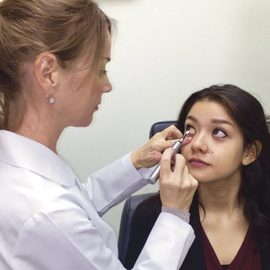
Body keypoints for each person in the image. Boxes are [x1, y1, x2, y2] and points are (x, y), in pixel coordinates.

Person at [0, 0, 199, 269]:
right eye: (100, 68)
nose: (107, 85)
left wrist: (136, 161)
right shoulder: (45, 211)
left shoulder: (24, 171)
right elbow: (61, 217)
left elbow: (78, 203)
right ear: (48, 72)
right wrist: (174, 214)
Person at [123, 84, 270, 270]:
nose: (197, 144)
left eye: (218, 132)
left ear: (249, 151)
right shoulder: (151, 215)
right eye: (190, 129)